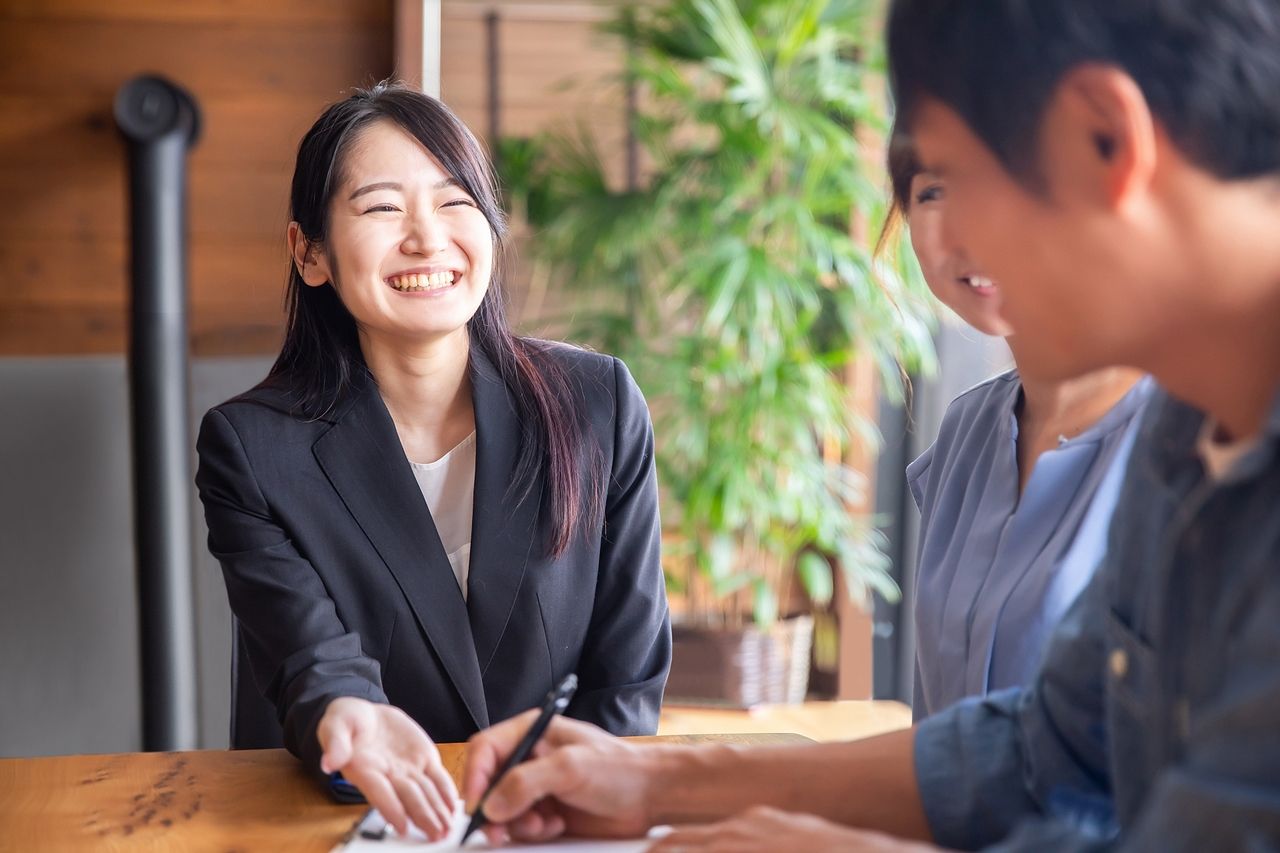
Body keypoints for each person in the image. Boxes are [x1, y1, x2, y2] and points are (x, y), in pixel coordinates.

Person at [461, 0, 1280, 849]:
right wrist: (652, 780)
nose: (951, 242)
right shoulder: (1189, 429)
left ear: (1104, 137)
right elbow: (1049, 746)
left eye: (960, 178)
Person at [194, 82, 671, 841]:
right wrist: (350, 713)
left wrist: (570, 815)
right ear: (310, 253)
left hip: (557, 824)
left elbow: (627, 677)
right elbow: (312, 659)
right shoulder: (253, 448)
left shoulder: (597, 403)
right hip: (342, 822)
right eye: (383, 208)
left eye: (455, 201)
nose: (427, 238)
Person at [884, 134, 1153, 718]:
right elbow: (939, 730)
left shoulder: (1181, 441)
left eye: (1006, 183)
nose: (973, 230)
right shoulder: (966, 432)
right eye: (934, 192)